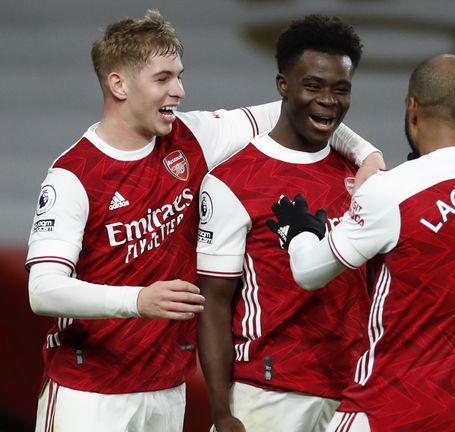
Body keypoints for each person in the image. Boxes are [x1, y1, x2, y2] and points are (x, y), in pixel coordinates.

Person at [25, 9, 383, 432]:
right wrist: (137, 301)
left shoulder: (192, 136)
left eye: (179, 75)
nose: (179, 90)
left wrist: (368, 157)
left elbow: (303, 109)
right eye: (163, 79)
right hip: (88, 392)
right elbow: (43, 291)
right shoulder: (73, 174)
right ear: (118, 84)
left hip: (168, 388)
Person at [267, 54, 455, 432]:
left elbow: (309, 271)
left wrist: (300, 232)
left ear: (412, 108)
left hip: (386, 410)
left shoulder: (393, 191)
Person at [195, 14, 372, 432]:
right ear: (283, 86)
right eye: (313, 86)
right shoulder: (232, 181)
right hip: (268, 392)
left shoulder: (362, 174)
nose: (329, 100)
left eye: (341, 89)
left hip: (353, 391)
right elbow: (214, 306)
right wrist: (222, 411)